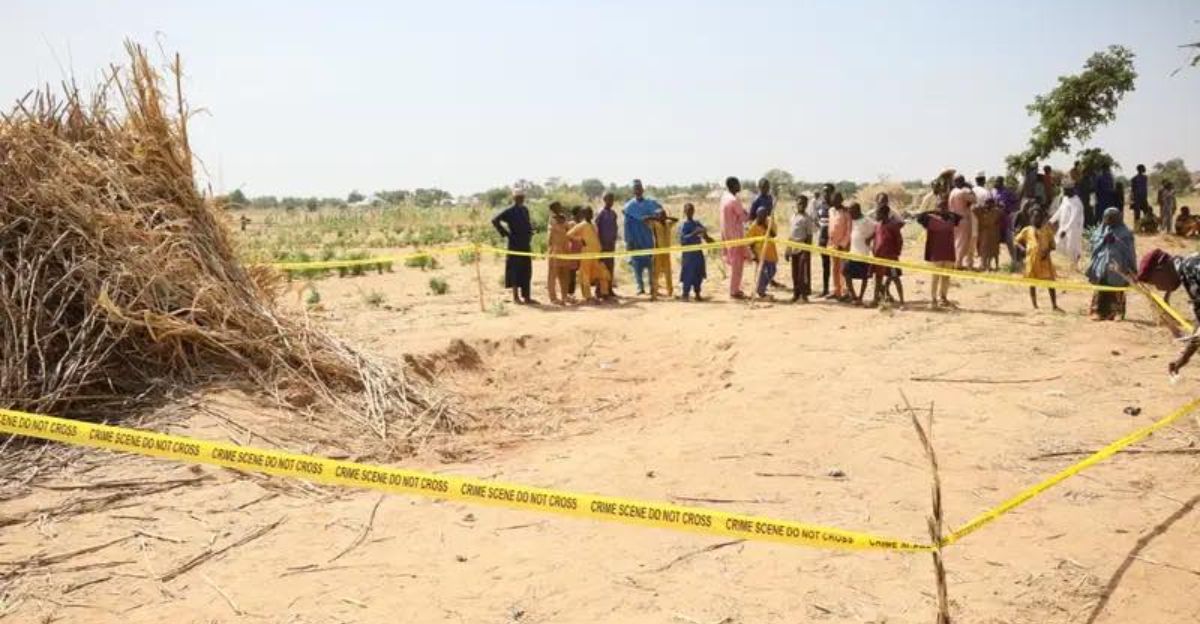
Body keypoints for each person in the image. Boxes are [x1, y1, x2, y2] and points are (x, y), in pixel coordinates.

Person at [1086, 207, 1136, 321]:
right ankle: (1098, 312)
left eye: (1111, 218)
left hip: (1119, 266)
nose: (1108, 220)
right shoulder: (1101, 230)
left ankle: (1117, 313)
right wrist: (1103, 240)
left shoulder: (1126, 233)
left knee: (1117, 288)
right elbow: (1093, 244)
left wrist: (1116, 241)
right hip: (1102, 264)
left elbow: (1130, 251)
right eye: (1107, 218)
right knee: (1101, 287)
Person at [492, 188, 536, 304]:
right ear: (514, 198)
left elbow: (527, 224)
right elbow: (495, 220)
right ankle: (516, 297)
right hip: (514, 244)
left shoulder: (525, 210)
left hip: (525, 244)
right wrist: (506, 234)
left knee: (526, 270)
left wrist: (530, 232)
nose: (521, 199)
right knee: (515, 270)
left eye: (522, 197)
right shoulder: (509, 211)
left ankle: (527, 297)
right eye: (518, 197)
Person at [917, 199, 962, 309]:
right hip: (937, 253)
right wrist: (933, 211)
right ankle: (933, 299)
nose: (942, 209)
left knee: (946, 277)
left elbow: (959, 217)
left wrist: (946, 212)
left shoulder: (951, 219)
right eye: (940, 207)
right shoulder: (930, 220)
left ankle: (943, 298)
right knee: (935, 277)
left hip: (948, 252)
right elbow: (919, 217)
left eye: (944, 207)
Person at [1014, 208, 1060, 311]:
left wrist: (1047, 251)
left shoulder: (1047, 230)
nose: (1036, 219)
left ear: (1042, 218)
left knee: (1050, 282)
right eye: (1034, 217)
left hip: (1045, 260)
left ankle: (1054, 305)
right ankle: (1034, 305)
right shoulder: (1027, 230)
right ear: (1031, 218)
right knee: (1032, 282)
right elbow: (1016, 241)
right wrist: (1022, 249)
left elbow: (1053, 245)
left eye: (1038, 216)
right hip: (1032, 260)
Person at [566, 207, 612, 303]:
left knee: (603, 273)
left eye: (591, 212)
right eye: (588, 213)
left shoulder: (594, 225)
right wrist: (580, 239)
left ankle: (604, 293)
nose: (590, 215)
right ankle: (587, 296)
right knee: (585, 275)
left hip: (597, 253)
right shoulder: (581, 225)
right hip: (586, 253)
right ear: (584, 214)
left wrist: (600, 251)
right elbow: (569, 234)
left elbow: (596, 238)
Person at [623, 180, 661, 295]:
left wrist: (650, 217)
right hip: (635, 238)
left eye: (639, 188)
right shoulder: (629, 206)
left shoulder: (650, 203)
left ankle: (652, 286)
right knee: (636, 265)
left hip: (647, 237)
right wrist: (628, 241)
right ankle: (640, 287)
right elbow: (626, 225)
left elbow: (659, 214)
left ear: (643, 190)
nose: (638, 191)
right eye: (636, 189)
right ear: (633, 191)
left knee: (650, 264)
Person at [871, 194, 905, 307]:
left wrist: (896, 252)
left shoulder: (893, 225)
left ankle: (902, 301)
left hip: (891, 257)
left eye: (878, 214)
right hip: (879, 257)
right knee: (878, 278)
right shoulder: (878, 225)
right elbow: (876, 240)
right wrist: (874, 251)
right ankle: (875, 299)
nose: (876, 215)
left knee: (895, 278)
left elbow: (899, 240)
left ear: (884, 214)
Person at [720, 177, 750, 299]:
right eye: (738, 184)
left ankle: (735, 289)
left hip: (727, 235)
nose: (739, 186)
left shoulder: (724, 198)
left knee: (735, 264)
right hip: (736, 237)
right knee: (737, 266)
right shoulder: (733, 200)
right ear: (732, 185)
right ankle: (734, 291)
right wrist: (747, 213)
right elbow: (744, 217)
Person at [842, 202, 875, 305]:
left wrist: (870, 238)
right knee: (845, 272)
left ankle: (860, 297)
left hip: (863, 254)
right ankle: (854, 296)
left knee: (864, 277)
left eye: (851, 212)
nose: (850, 214)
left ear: (857, 211)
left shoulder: (867, 221)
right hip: (852, 253)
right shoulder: (851, 221)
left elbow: (877, 229)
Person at [679, 203, 712, 301]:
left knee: (698, 273)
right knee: (688, 274)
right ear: (685, 212)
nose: (690, 212)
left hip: (698, 253)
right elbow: (682, 240)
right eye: (688, 210)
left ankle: (697, 293)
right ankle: (685, 294)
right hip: (688, 254)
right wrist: (694, 233)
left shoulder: (697, 223)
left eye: (691, 210)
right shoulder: (683, 225)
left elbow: (705, 235)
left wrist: (709, 239)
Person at [787, 195, 816, 302]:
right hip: (793, 248)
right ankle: (796, 294)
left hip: (802, 248)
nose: (801, 205)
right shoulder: (793, 217)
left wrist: (807, 251)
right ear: (796, 203)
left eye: (803, 204)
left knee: (802, 273)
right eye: (799, 203)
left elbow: (809, 236)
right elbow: (790, 235)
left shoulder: (807, 219)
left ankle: (804, 295)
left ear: (806, 205)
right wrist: (788, 249)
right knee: (794, 273)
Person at [645, 208, 678, 299]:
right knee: (656, 273)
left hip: (666, 252)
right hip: (658, 251)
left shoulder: (668, 224)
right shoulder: (654, 224)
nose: (663, 216)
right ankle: (654, 293)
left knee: (668, 272)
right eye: (661, 214)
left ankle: (670, 292)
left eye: (664, 214)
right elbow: (645, 219)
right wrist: (656, 218)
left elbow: (676, 220)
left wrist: (666, 217)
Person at [1050, 186, 1085, 269]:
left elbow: (1073, 218)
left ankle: (1074, 266)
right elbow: (1060, 211)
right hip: (1063, 226)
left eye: (1064, 191)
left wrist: (1065, 230)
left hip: (1073, 229)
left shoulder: (1077, 202)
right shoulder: (1065, 199)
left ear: (1070, 190)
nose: (1063, 192)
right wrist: (1051, 221)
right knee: (1058, 244)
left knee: (1071, 247)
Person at [746, 210, 778, 299]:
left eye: (764, 216)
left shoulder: (769, 222)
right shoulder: (753, 226)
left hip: (771, 252)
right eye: (760, 216)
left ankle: (761, 288)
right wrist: (754, 255)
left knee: (772, 271)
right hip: (760, 253)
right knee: (762, 273)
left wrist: (766, 226)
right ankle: (761, 291)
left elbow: (774, 235)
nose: (761, 218)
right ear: (757, 216)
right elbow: (749, 243)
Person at [810, 184, 834, 298]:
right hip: (823, 238)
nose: (825, 194)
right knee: (825, 264)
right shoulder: (820, 205)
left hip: (834, 240)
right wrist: (820, 228)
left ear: (832, 193)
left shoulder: (835, 206)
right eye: (824, 191)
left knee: (837, 265)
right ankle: (825, 289)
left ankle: (838, 290)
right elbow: (816, 219)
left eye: (828, 191)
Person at [828, 192, 852, 300]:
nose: (835, 202)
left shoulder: (846, 213)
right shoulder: (831, 211)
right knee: (834, 268)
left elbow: (849, 230)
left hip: (843, 246)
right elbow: (831, 226)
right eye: (833, 200)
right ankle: (836, 290)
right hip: (832, 244)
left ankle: (845, 292)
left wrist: (843, 243)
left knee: (843, 269)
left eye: (837, 200)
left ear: (841, 200)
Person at [948, 175, 976, 270]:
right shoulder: (963, 192)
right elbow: (974, 199)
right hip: (963, 219)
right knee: (962, 242)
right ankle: (958, 263)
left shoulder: (952, 192)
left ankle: (953, 262)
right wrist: (970, 189)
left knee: (956, 241)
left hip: (953, 219)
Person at [546, 203, 572, 305]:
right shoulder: (551, 220)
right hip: (555, 250)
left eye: (560, 207)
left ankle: (564, 296)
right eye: (557, 207)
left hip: (565, 250)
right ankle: (553, 298)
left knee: (565, 274)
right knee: (553, 274)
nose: (560, 208)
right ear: (552, 209)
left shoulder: (564, 219)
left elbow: (569, 230)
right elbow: (550, 237)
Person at [993, 177, 1020, 270]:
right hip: (995, 221)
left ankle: (1015, 262)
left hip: (1005, 220)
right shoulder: (993, 192)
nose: (995, 183)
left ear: (1001, 182)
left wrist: (1008, 209)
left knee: (1009, 241)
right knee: (994, 242)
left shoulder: (1008, 192)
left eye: (997, 182)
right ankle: (995, 264)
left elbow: (1017, 204)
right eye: (995, 182)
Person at [596, 192, 619, 293]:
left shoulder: (613, 213)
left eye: (612, 200)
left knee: (610, 266)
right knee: (601, 267)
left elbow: (615, 227)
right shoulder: (600, 213)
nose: (611, 202)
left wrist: (614, 238)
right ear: (604, 200)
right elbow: (596, 228)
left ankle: (609, 289)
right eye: (609, 199)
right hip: (602, 244)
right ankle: (599, 289)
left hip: (611, 244)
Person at [974, 197, 1002, 272]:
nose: (987, 205)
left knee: (993, 251)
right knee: (984, 249)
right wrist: (982, 207)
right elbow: (974, 210)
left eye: (989, 203)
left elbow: (997, 217)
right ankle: (984, 265)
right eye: (986, 203)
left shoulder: (996, 211)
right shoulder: (982, 211)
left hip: (993, 233)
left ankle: (991, 265)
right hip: (984, 233)